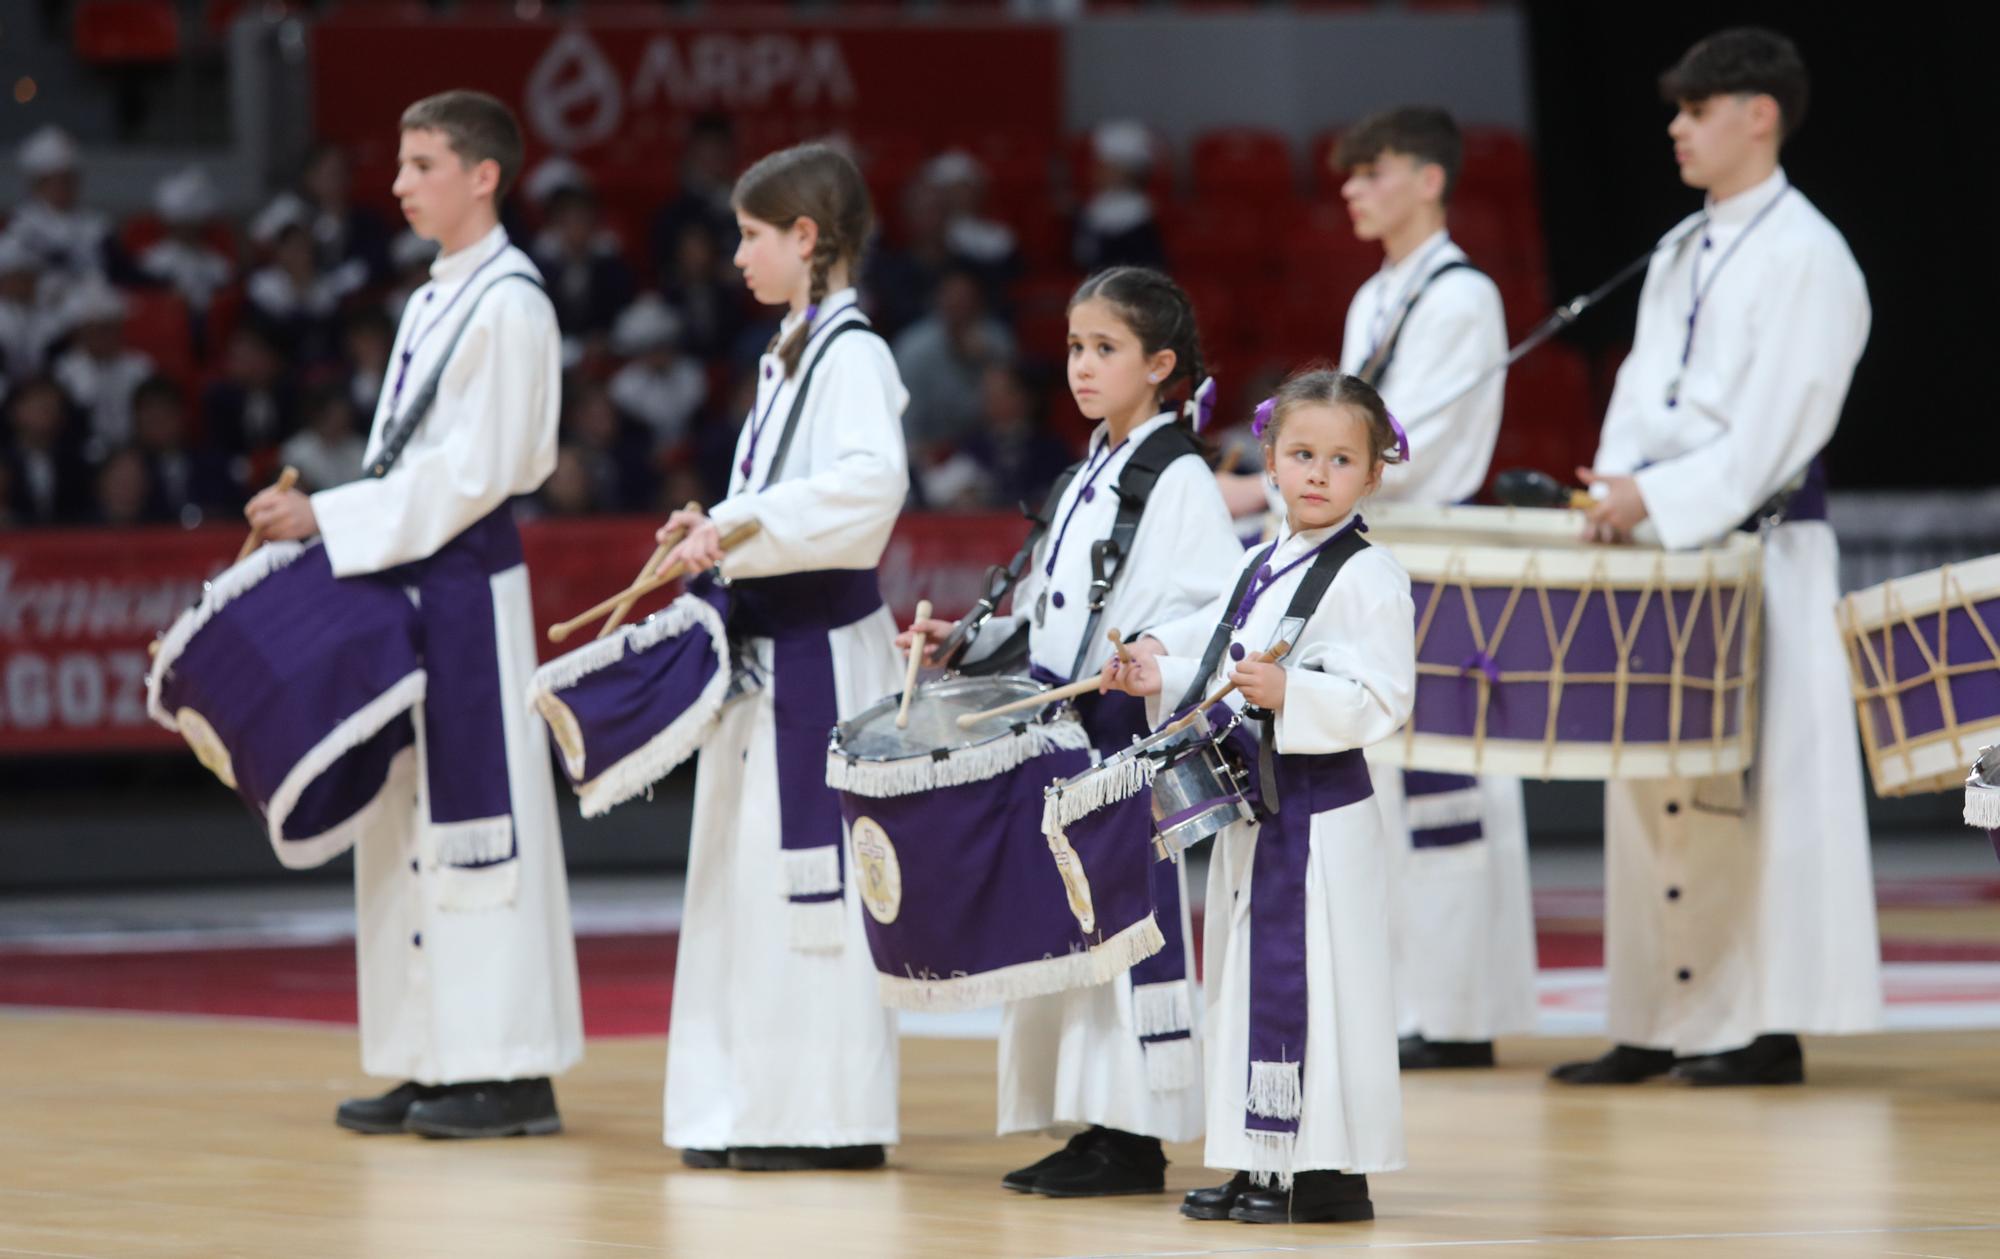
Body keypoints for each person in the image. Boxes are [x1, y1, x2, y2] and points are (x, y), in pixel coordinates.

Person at [244, 89, 584, 1137]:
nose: (397, 184)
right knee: (403, 822)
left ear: (482, 176)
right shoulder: (438, 291)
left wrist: (328, 511)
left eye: (421, 163)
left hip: (466, 587)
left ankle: (510, 1068)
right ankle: (430, 1051)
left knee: (481, 826)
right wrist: (333, 518)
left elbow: (484, 469)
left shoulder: (512, 300)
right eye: (398, 164)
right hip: (409, 579)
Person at [1558, 27, 1878, 1087]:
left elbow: (1779, 422)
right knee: (1645, 780)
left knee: (1757, 783)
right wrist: (1613, 488)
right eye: (1674, 109)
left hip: (1762, 547)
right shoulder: (1679, 247)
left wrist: (1659, 493)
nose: (1675, 127)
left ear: (1758, 114)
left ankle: (1760, 1021)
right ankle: (1658, 1014)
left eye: (1696, 108)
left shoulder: (1809, 253)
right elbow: (1636, 387)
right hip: (1660, 543)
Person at [902, 266, 1241, 1197]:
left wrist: (1151, 659)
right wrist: (973, 638)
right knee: (1069, 934)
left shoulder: (1177, 478)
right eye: (1073, 348)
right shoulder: (1092, 465)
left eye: (1105, 350)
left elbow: (1217, 608)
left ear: (1161, 365)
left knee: (1122, 931)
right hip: (1066, 727)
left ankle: (1134, 1137)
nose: (1082, 367)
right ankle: (1095, 1123)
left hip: (1122, 732)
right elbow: (1063, 621)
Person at [1106, 368, 1416, 1224]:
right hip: (1259, 808)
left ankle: (1327, 1170)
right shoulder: (1259, 561)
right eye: (1302, 454)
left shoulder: (1371, 575)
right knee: (1246, 980)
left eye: (1341, 458)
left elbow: (1386, 698)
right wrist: (1156, 671)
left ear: (1372, 473)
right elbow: (1215, 670)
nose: (1318, 474)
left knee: (1324, 985)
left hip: (1323, 813)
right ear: (1269, 461)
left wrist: (1296, 697)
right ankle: (1261, 1158)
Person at [655, 142, 909, 1172]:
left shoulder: (854, 354)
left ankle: (825, 1114)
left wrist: (737, 518)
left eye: (752, 235)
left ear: (806, 238)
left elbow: (866, 492)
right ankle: (750, 1103)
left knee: (815, 889)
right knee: (746, 880)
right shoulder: (789, 353)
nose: (735, 256)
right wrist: (712, 526)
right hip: (768, 653)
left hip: (823, 658)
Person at [1335, 106, 1537, 1071]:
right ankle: (1410, 998)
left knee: (1445, 788)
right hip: (1380, 553)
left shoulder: (1462, 295)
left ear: (1428, 180)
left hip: (1441, 560)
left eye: (1371, 172)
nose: (1351, 189)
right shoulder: (1376, 295)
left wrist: (1280, 473)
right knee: (1380, 788)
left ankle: (1457, 1010)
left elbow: (1405, 447)